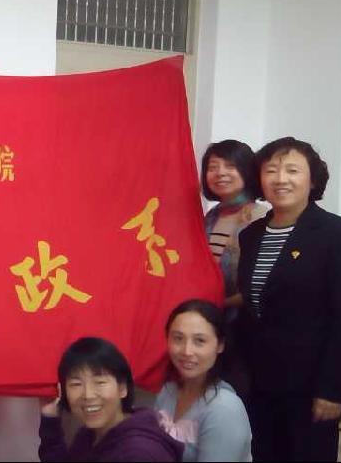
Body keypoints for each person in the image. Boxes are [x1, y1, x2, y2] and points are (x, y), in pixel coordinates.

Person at [237, 136, 341, 461]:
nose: (281, 179)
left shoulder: (338, 235)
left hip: (311, 386)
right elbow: (254, 308)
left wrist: (333, 389)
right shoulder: (250, 235)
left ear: (313, 179)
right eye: (271, 170)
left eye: (292, 170)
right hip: (260, 382)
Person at [39, 337, 183, 462]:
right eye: (76, 384)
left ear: (122, 388)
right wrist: (49, 417)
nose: (88, 395)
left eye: (100, 382)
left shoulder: (138, 453)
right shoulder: (90, 434)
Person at [200, 140, 267, 397]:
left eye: (230, 166)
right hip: (210, 319)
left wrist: (222, 302)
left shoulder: (260, 216)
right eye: (213, 167)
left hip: (242, 326)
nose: (220, 173)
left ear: (247, 171)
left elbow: (260, 282)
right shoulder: (211, 216)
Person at [155, 300, 252, 461]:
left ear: (220, 345)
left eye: (199, 341)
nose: (187, 351)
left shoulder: (224, 409)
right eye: (178, 338)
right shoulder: (167, 392)